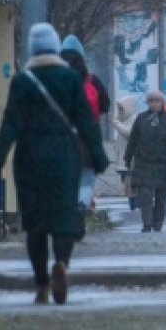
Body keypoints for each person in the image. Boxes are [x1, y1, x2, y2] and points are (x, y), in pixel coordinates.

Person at [0, 23, 108, 305]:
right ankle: (62, 263)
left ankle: (41, 284)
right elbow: (85, 122)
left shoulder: (22, 81)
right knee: (64, 218)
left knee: (36, 224)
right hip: (65, 158)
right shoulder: (69, 79)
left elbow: (10, 126)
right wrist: (98, 157)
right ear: (55, 48)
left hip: (29, 159)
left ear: (32, 49)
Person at [124, 90, 166, 232]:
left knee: (161, 196)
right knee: (145, 195)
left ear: (162, 103)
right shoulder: (141, 119)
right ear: (147, 103)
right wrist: (128, 157)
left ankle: (157, 223)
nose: (154, 104)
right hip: (144, 162)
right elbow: (133, 139)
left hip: (164, 163)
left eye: (157, 101)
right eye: (151, 101)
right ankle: (147, 224)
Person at [60, 34, 109, 216]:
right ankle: (82, 205)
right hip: (88, 136)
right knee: (88, 178)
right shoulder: (91, 79)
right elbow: (105, 103)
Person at [113, 95, 140, 210]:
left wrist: (116, 123)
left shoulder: (134, 118)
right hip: (123, 156)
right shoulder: (123, 119)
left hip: (131, 157)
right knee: (127, 182)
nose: (119, 111)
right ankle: (133, 203)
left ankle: (135, 204)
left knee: (131, 181)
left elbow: (129, 133)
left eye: (121, 108)